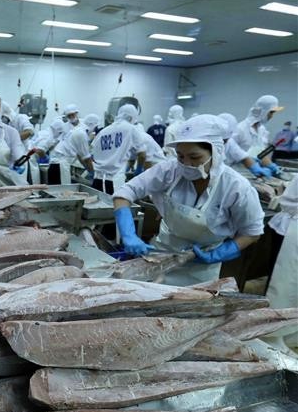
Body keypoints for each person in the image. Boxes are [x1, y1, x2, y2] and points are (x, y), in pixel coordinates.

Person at [113, 114, 265, 286]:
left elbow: (252, 233)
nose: (186, 164)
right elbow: (125, 193)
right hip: (161, 254)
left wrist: (219, 253)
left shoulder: (236, 187)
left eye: (195, 157)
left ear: (216, 152)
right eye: (180, 156)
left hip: (202, 268)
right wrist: (128, 234)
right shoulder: (169, 170)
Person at [265, 176, 298, 347]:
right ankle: (272, 335)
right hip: (292, 232)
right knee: (284, 286)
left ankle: (291, 335)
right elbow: (288, 203)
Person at [90, 104, 146, 194]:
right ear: (132, 117)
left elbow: (92, 154)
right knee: (115, 206)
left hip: (97, 180)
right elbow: (142, 154)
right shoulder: (131, 129)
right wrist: (139, 169)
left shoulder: (103, 131)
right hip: (114, 181)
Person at [231, 95, 284, 177]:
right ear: (263, 111)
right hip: (238, 174)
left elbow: (261, 154)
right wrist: (250, 163)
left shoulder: (262, 130)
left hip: (256, 174)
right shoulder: (240, 129)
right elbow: (229, 153)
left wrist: (272, 166)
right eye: (271, 112)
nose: (271, 116)